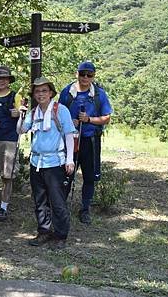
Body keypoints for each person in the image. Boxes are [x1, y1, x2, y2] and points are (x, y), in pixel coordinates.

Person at [18, 77, 76, 250]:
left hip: (55, 163)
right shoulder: (33, 112)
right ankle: (44, 231)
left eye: (44, 90)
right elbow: (21, 130)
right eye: (37, 91)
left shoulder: (60, 110)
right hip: (37, 162)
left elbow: (69, 134)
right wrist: (21, 114)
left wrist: (70, 159)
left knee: (57, 201)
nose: (40, 94)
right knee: (40, 200)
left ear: (51, 93)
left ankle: (60, 235)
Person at [58, 61, 112, 224]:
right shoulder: (67, 92)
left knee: (89, 176)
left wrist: (88, 119)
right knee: (67, 173)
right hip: (70, 139)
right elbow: (58, 114)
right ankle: (61, 206)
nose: (85, 78)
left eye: (89, 75)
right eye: (83, 74)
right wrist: (69, 122)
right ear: (77, 74)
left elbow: (106, 118)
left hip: (90, 140)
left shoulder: (99, 94)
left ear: (93, 76)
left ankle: (85, 209)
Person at [0, 66, 23, 222]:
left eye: (4, 78)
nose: (1, 81)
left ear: (9, 81)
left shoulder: (16, 96)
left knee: (7, 176)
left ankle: (3, 207)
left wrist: (18, 113)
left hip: (9, 139)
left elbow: (23, 115)